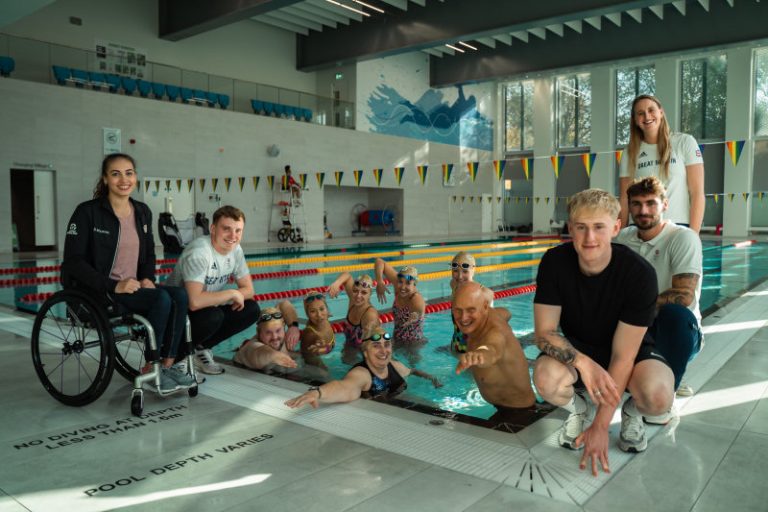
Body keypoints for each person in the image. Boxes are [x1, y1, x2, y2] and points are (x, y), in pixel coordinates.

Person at [532, 188, 675, 477]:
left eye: (599, 227)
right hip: (578, 348)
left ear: (616, 227)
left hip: (629, 351)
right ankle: (579, 409)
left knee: (659, 396)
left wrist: (601, 426)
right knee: (545, 378)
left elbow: (623, 356)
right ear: (570, 228)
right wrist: (584, 363)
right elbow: (544, 334)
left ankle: (632, 411)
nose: (589, 238)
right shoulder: (554, 262)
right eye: (581, 227)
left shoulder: (639, 274)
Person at [61, 153, 193, 393]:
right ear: (105, 179)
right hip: (100, 291)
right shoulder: (87, 212)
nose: (124, 180)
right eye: (116, 174)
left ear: (136, 176)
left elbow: (149, 253)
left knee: (180, 296)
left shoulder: (142, 211)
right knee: (162, 299)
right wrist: (114, 285)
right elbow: (74, 262)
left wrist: (147, 278)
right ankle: (151, 365)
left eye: (129, 173)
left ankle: (167, 364)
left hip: (133, 288)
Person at [615, 176, 703, 397]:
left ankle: (668, 387)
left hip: (673, 331)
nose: (643, 210)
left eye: (650, 203)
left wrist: (634, 309)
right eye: (636, 204)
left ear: (665, 204)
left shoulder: (683, 238)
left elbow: (684, 295)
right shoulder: (621, 239)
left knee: (676, 314)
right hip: (632, 326)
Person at [165, 205, 260, 375]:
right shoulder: (199, 252)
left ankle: (200, 349)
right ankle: (177, 357)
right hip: (174, 314)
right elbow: (194, 302)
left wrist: (233, 295)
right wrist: (232, 293)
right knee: (213, 315)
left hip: (202, 311)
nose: (233, 236)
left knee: (251, 309)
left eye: (238, 230)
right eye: (227, 229)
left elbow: (249, 290)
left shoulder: (236, 250)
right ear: (213, 229)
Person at [284, 325, 442, 409]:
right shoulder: (362, 374)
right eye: (376, 346)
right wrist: (318, 393)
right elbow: (344, 387)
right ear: (365, 352)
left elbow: (412, 371)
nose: (384, 351)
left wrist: (432, 378)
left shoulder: (394, 365)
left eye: (386, 345)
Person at [453, 282, 537, 424]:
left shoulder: (495, 333)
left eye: (471, 310)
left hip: (519, 415)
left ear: (485, 307)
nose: (463, 317)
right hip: (505, 407)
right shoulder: (493, 314)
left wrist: (479, 355)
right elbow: (506, 313)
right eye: (458, 310)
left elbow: (492, 349)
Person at [619, 94, 705, 233]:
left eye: (651, 110)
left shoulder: (684, 142)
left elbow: (697, 193)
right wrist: (620, 235)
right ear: (635, 120)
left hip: (677, 227)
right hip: (640, 228)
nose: (647, 116)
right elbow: (624, 198)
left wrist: (693, 235)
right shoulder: (629, 152)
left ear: (661, 112)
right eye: (640, 113)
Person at [449, 251, 509, 354]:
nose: (459, 276)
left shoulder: (484, 294)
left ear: (473, 270)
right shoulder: (454, 285)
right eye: (455, 271)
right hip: (456, 345)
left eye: (465, 271)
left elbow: (493, 327)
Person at [233, 303, 301, 371]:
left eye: (278, 330)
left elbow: (284, 304)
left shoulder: (286, 338)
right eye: (268, 332)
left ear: (284, 327)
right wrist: (274, 355)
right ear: (258, 332)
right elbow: (259, 353)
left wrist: (293, 326)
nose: (274, 337)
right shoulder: (252, 346)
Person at [328, 273, 380, 362]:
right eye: (355, 291)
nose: (358, 295)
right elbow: (347, 276)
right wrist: (336, 284)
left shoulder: (370, 315)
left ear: (370, 294)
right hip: (349, 352)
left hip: (363, 358)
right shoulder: (353, 301)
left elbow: (373, 347)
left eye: (364, 292)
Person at [374, 260, 426, 344]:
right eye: (400, 282)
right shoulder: (397, 284)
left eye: (408, 283)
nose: (403, 287)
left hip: (413, 343)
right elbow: (379, 262)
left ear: (414, 284)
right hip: (396, 338)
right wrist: (379, 281)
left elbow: (418, 312)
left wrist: (415, 316)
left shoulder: (416, 299)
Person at [300, 292, 336, 370]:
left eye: (322, 309)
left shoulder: (325, 319)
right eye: (313, 311)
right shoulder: (310, 334)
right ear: (307, 315)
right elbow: (307, 356)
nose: (319, 315)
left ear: (327, 310)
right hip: (316, 362)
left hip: (331, 356)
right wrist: (324, 349)